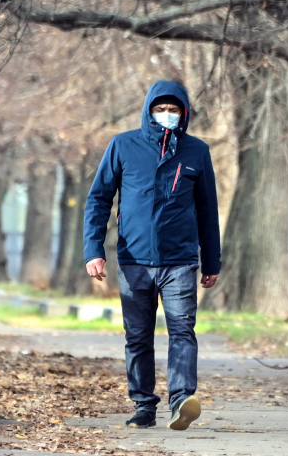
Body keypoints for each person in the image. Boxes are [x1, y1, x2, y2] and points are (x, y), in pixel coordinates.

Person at [84, 81, 221, 431]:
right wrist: (93, 250)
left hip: (180, 260)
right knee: (138, 336)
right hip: (134, 260)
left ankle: (181, 400)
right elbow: (99, 199)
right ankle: (144, 405)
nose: (167, 115)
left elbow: (207, 209)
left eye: (174, 109)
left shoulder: (196, 151)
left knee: (182, 330)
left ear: (184, 112)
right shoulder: (123, 145)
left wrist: (212, 261)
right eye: (161, 108)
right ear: (148, 110)